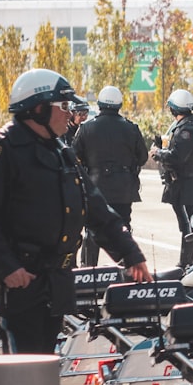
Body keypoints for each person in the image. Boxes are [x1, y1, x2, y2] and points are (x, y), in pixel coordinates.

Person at [0, 68, 152, 353]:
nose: (69, 113)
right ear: (37, 109)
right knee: (23, 370)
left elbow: (97, 208)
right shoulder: (2, 149)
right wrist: (8, 268)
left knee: (46, 365)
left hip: (55, 282)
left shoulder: (61, 152)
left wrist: (130, 254)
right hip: (20, 284)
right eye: (62, 106)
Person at [73, 86, 149, 266]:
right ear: (119, 105)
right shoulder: (131, 128)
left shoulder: (86, 128)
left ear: (99, 104)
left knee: (92, 230)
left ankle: (88, 272)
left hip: (95, 187)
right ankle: (128, 268)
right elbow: (143, 157)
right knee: (123, 229)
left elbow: (74, 157)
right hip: (124, 188)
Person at [149, 89, 193, 268]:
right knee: (191, 222)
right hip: (186, 182)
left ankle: (187, 263)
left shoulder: (188, 130)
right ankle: (190, 263)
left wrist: (158, 153)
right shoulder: (190, 126)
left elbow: (177, 156)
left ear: (175, 108)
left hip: (183, 184)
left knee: (188, 225)